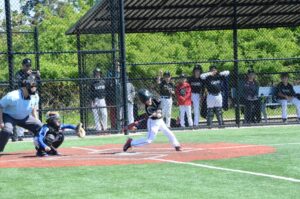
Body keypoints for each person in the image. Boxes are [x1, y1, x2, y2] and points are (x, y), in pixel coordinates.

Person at [0, 75, 43, 152]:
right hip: (9, 116)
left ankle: (41, 147)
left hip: (25, 117)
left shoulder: (35, 96)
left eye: (35, 86)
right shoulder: (13, 96)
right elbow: (0, 106)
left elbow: (33, 109)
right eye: (32, 86)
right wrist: (1, 122)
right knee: (7, 130)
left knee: (40, 127)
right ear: (25, 87)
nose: (34, 89)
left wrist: (36, 120)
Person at [12, 58, 41, 142]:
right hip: (24, 93)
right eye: (26, 65)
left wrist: (37, 76)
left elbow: (35, 84)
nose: (28, 67)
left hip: (33, 94)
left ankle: (36, 131)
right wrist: (26, 75)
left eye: (29, 65)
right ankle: (20, 135)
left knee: (34, 113)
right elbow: (19, 82)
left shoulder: (32, 73)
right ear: (23, 65)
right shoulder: (19, 73)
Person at [90, 67, 108, 132]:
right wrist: (92, 100)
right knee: (96, 115)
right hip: (95, 100)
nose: (97, 74)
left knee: (104, 114)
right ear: (94, 74)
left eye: (98, 73)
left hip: (102, 99)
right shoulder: (92, 83)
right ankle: (98, 129)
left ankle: (105, 128)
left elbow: (106, 91)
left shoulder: (103, 81)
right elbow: (91, 92)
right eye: (96, 73)